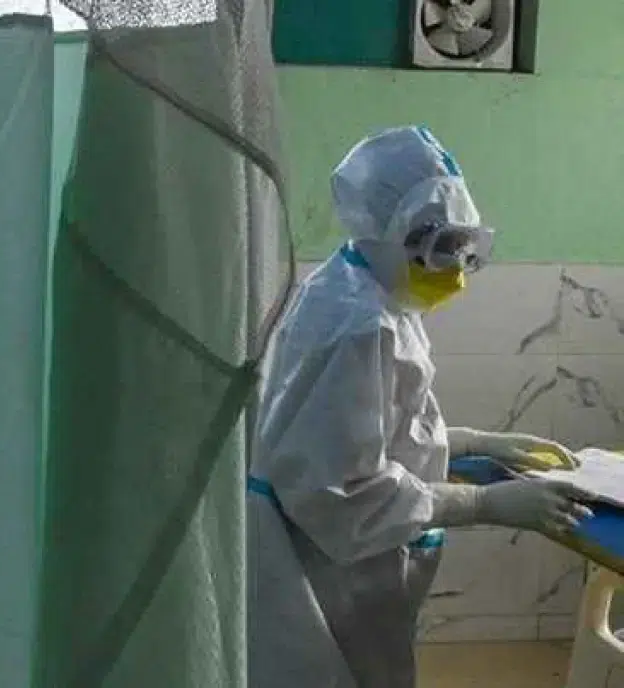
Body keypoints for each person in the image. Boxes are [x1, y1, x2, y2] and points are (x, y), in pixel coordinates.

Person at [246, 126, 596, 688]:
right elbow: (344, 493)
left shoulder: (365, 288)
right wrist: (482, 503)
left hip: (337, 561)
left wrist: (473, 442)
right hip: (324, 568)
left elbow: (369, 431)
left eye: (463, 247)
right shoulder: (359, 328)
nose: (454, 268)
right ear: (384, 232)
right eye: (437, 247)